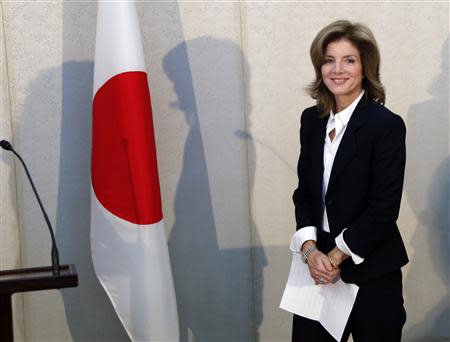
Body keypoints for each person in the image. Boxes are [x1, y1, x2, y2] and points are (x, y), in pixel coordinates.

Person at [292, 20, 408, 342]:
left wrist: (334, 257)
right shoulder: (310, 120)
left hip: (370, 271)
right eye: (329, 60)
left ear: (365, 67)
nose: (337, 69)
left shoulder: (385, 125)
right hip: (317, 269)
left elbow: (383, 209)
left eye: (349, 60)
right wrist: (310, 251)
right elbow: (304, 194)